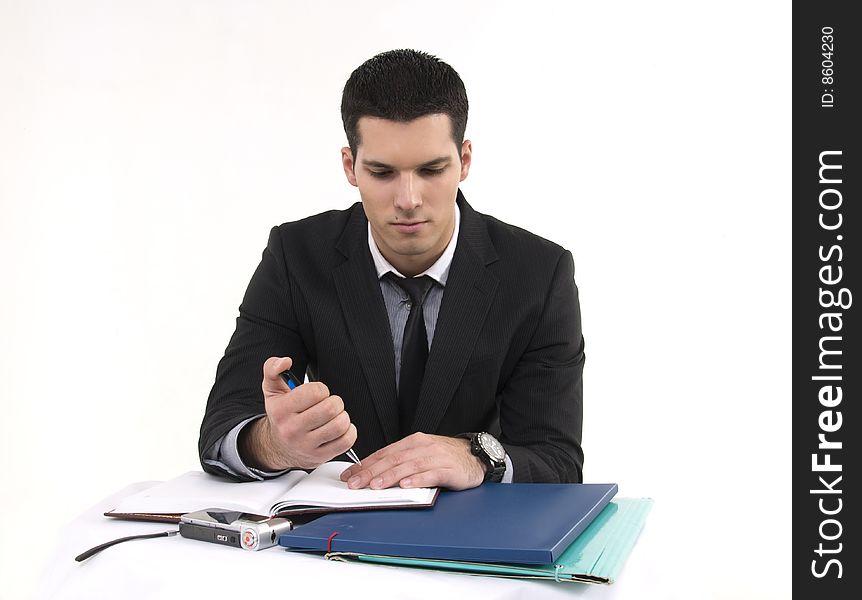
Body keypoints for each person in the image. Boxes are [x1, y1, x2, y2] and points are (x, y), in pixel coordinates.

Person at [198, 49, 585, 490]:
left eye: (431, 170)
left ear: (465, 160)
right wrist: (274, 444)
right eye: (382, 172)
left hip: (472, 539)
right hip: (332, 543)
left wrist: (477, 455)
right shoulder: (295, 256)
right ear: (350, 166)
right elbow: (221, 429)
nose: (408, 199)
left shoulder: (539, 273)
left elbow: (558, 461)